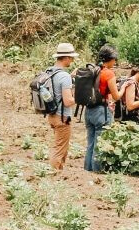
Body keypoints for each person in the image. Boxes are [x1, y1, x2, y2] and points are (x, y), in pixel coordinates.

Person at [40, 43, 79, 172]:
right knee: (59, 149)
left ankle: (58, 173)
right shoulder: (64, 76)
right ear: (66, 58)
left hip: (52, 115)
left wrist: (70, 77)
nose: (72, 61)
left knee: (61, 147)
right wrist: (81, 97)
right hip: (63, 118)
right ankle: (54, 173)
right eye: (71, 58)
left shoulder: (50, 71)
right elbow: (68, 101)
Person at [80, 46, 118, 173]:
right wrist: (123, 88)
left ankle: (87, 170)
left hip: (88, 110)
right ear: (110, 59)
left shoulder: (92, 70)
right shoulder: (108, 73)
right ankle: (97, 171)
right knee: (100, 143)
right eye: (114, 59)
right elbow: (116, 96)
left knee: (90, 143)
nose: (115, 62)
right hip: (101, 111)